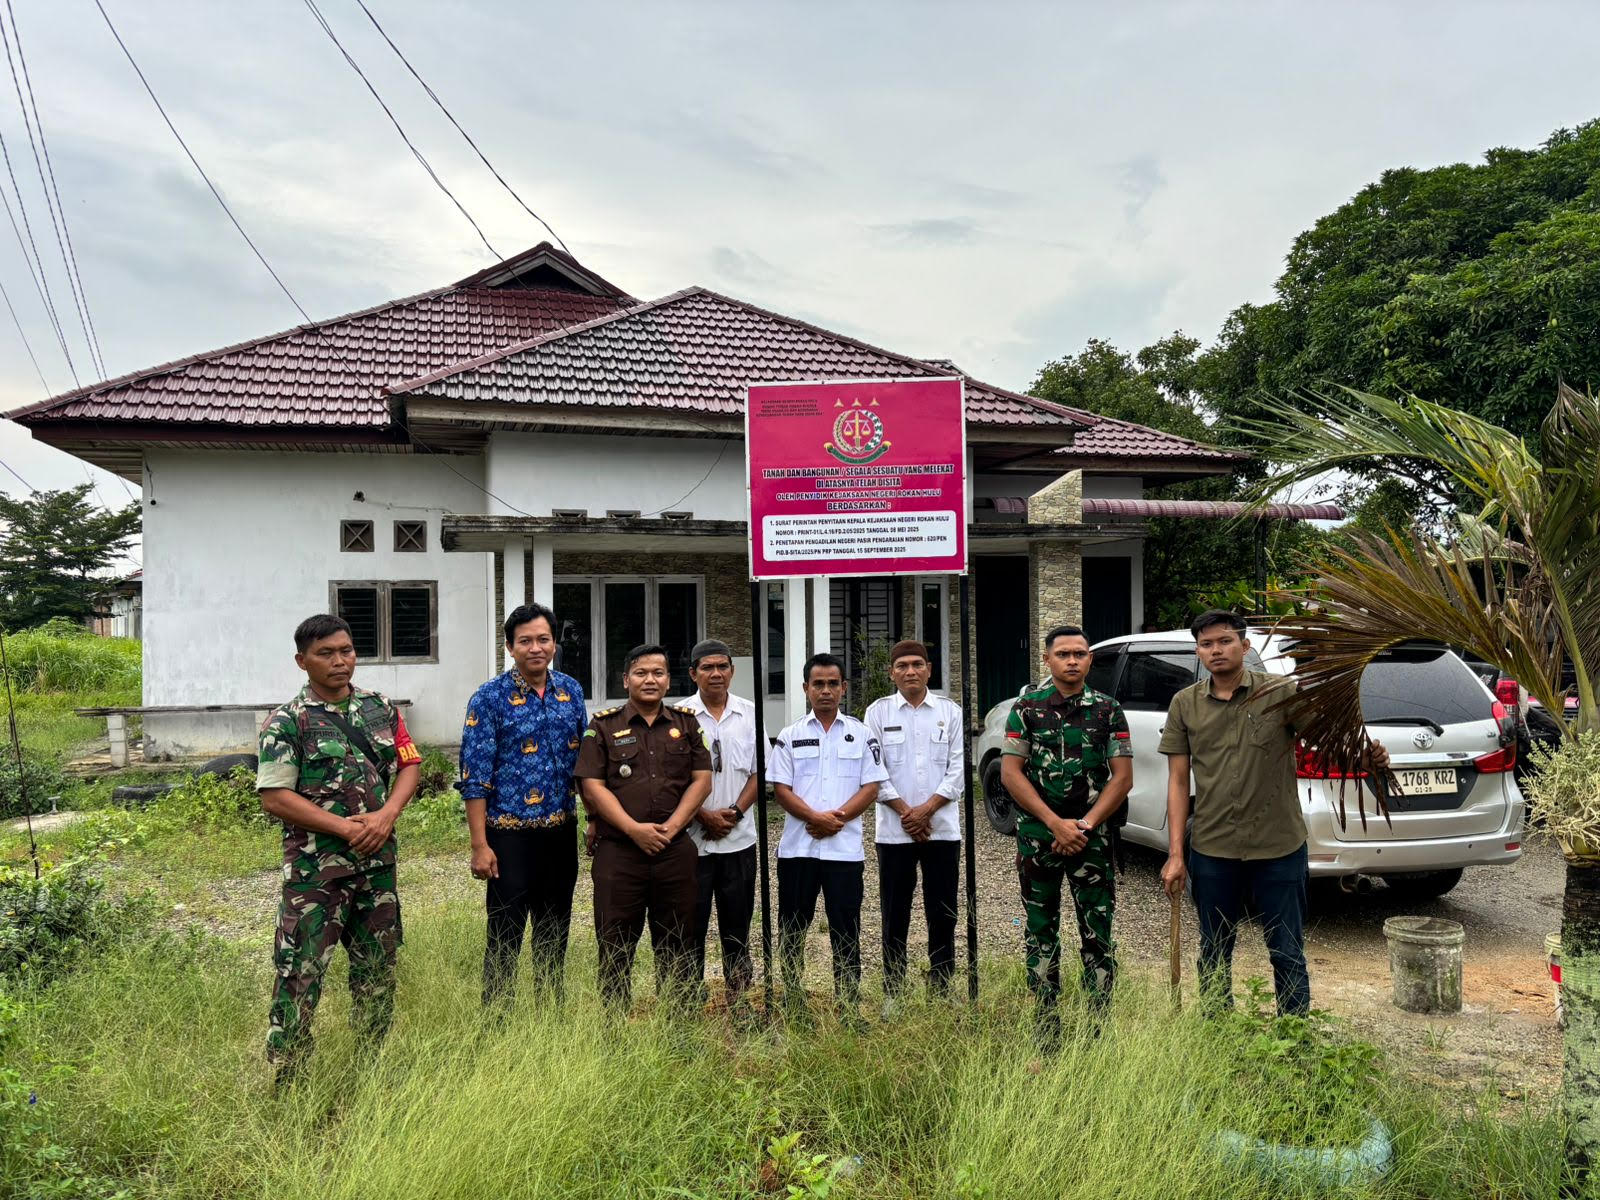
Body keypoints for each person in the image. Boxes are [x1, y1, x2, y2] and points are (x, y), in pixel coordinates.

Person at [1158, 609, 1388, 1016]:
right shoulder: (1184, 704)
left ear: (1245, 646)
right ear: (1198, 651)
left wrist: (1364, 759)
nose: (1216, 650)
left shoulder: (1280, 692)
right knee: (1213, 948)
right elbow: (1178, 782)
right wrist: (1176, 854)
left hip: (1278, 847)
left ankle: (1295, 1036)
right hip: (1212, 848)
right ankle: (1216, 1030)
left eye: (1225, 641)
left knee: (1286, 948)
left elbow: (1325, 742)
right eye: (1207, 644)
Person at [257, 613, 422, 1085]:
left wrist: (386, 815)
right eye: (326, 653)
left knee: (377, 970)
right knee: (300, 972)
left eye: (346, 650)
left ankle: (371, 1068)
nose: (340, 661)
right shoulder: (287, 722)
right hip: (316, 875)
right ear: (301, 661)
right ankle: (290, 1078)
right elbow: (275, 796)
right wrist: (346, 829)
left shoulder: (381, 709)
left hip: (377, 869)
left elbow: (409, 764)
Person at [1000, 625, 1133, 1047]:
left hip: (1091, 842)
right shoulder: (1027, 708)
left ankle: (1098, 1031)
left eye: (1080, 653)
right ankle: (1046, 1027)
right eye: (1063, 654)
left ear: (1090, 660)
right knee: (1040, 932)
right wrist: (1055, 824)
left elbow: (1122, 778)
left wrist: (1086, 825)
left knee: (1097, 933)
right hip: (1039, 839)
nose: (1072, 660)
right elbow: (1010, 773)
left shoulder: (1108, 710)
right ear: (1047, 660)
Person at [458, 602, 588, 1005]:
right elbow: (474, 777)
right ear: (511, 647)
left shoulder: (571, 691)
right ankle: (496, 1019)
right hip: (508, 836)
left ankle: (551, 1012)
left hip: (560, 831)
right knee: (505, 932)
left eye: (543, 639)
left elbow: (586, 763)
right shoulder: (489, 698)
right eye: (525, 641)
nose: (536, 648)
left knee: (555, 928)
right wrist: (480, 846)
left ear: (553, 643)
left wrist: (594, 819)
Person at [575, 643, 712, 1009]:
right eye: (641, 673)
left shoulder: (686, 723)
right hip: (620, 854)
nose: (649, 680)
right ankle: (615, 1033)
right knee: (615, 946)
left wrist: (672, 826)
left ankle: (678, 1031)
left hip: (674, 851)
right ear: (626, 680)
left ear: (669, 681)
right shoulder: (603, 726)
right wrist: (634, 829)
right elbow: (592, 786)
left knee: (678, 944)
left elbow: (702, 779)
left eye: (658, 673)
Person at [769, 652, 886, 1018]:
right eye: (817, 684)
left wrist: (836, 820)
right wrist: (815, 818)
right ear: (805, 688)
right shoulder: (790, 736)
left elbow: (872, 786)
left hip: (844, 852)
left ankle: (849, 1005)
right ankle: (792, 999)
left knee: (846, 930)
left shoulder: (861, 734)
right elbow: (781, 789)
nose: (825, 691)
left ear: (844, 688)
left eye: (832, 684)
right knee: (792, 928)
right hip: (798, 851)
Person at [863, 640, 964, 1012]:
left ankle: (941, 985)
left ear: (929, 669)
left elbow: (957, 772)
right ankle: (893, 989)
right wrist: (908, 812)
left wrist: (927, 811)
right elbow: (873, 771)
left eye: (917, 664)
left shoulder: (950, 712)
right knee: (895, 911)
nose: (910, 671)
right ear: (892, 672)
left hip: (942, 830)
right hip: (894, 832)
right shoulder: (877, 713)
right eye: (902, 665)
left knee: (943, 910)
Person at [675, 639, 759, 1006]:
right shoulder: (678, 717)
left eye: (722, 666)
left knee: (737, 925)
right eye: (707, 667)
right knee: (689, 927)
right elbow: (670, 780)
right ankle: (689, 1002)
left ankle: (739, 1002)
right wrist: (702, 814)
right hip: (692, 841)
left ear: (732, 671)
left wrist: (736, 812)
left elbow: (759, 772)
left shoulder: (750, 714)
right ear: (693, 673)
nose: (716, 674)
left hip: (739, 839)